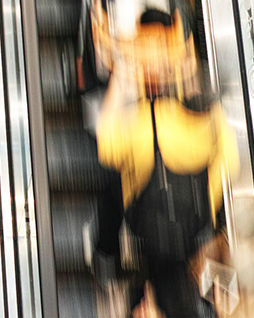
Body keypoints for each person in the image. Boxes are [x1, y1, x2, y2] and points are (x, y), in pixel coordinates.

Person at [95, 21, 238, 318]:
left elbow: (106, 145)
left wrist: (120, 78)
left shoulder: (151, 119)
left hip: (148, 229)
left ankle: (107, 257)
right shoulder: (218, 126)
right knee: (171, 285)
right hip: (192, 231)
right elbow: (229, 169)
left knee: (113, 186)